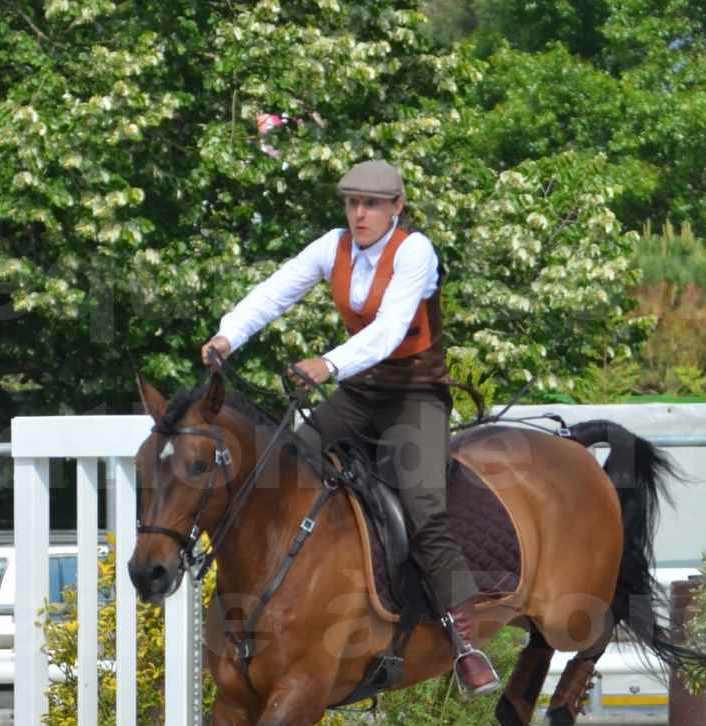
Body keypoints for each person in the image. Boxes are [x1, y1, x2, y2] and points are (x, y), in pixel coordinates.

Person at [199, 159, 498, 696]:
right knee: (283, 472)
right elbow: (274, 293)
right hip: (361, 396)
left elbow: (387, 333)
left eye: (373, 204)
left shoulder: (415, 252)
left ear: (396, 208)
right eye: (353, 203)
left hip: (414, 396)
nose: (360, 213)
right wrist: (228, 337)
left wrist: (328, 364)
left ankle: (466, 642)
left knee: (425, 506)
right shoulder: (331, 246)